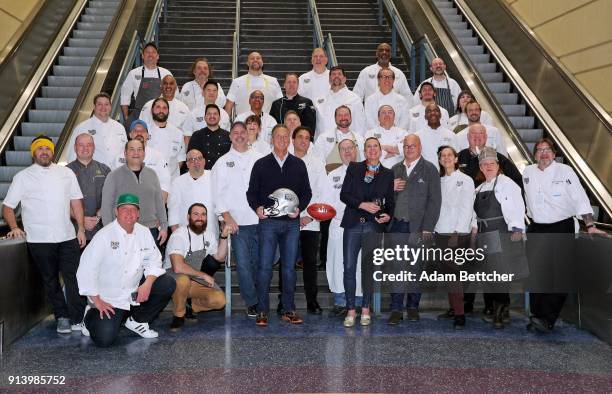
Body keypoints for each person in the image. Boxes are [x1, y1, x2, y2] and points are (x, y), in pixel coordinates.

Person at [3, 136, 87, 334]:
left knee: (74, 277)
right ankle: (62, 317)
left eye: (47, 148)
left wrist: (81, 228)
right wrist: (14, 226)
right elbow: (7, 207)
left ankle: (78, 318)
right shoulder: (22, 177)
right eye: (39, 149)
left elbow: (76, 202)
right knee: (50, 280)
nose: (44, 152)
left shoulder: (66, 173)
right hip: (39, 239)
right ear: (33, 153)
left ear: (52, 152)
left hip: (67, 236)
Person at [523, 138, 606, 333]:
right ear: (535, 155)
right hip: (537, 228)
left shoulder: (565, 171)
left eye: (547, 150)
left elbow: (580, 198)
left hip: (561, 226)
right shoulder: (528, 172)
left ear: (554, 153)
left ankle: (548, 318)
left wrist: (590, 225)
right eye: (539, 150)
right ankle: (537, 315)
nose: (543, 153)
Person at [77, 193, 176, 347]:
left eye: (133, 210)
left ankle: (137, 321)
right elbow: (86, 268)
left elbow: (154, 260)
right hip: (108, 299)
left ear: (138, 214)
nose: (129, 214)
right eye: (124, 209)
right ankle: (88, 317)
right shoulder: (104, 235)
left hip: (133, 294)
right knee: (104, 339)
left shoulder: (143, 232)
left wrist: (147, 284)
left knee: (167, 283)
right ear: (116, 212)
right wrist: (96, 300)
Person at [247, 124, 312, 327]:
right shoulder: (261, 164)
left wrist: (299, 207)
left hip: (291, 224)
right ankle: (262, 310)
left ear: (290, 140)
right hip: (268, 223)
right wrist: (257, 207)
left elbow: (307, 192)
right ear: (271, 139)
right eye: (278, 136)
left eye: (285, 137)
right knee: (265, 267)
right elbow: (251, 192)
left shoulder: (298, 165)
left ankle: (288, 309)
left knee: (289, 270)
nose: (282, 140)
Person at [340, 137, 395, 327]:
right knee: (348, 267)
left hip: (373, 226)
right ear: (364, 151)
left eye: (375, 147)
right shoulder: (354, 168)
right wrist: (362, 204)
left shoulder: (388, 174)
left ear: (380, 151)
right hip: (353, 224)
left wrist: (388, 215)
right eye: (369, 147)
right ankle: (350, 309)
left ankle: (365, 309)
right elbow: (344, 195)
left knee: (369, 269)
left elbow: (390, 202)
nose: (372, 150)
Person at [387, 134, 441, 324]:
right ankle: (396, 309)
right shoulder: (395, 169)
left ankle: (412, 307)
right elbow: (386, 199)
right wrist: (390, 188)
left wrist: (428, 227)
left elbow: (435, 202)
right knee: (396, 268)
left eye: (413, 145)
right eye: (406, 146)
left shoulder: (430, 169)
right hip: (397, 225)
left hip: (419, 227)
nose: (409, 149)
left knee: (416, 268)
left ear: (420, 147)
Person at [212, 121, 264, 317]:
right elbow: (217, 194)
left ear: (248, 135)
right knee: (242, 264)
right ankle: (252, 302)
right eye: (236, 132)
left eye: (243, 132)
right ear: (230, 136)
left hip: (260, 221)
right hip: (237, 223)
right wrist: (226, 217)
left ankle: (261, 299)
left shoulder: (260, 159)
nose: (240, 135)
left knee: (261, 263)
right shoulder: (222, 162)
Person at [472, 147, 525, 329]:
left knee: (499, 274)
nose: (488, 167)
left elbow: (516, 206)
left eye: (491, 164)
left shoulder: (506, 183)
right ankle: (500, 309)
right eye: (484, 164)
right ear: (480, 167)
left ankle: (499, 312)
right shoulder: (479, 188)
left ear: (498, 165)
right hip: (484, 235)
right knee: (489, 274)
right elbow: (474, 215)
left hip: (500, 233)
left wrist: (517, 228)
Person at [165, 203, 229, 331]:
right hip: (173, 277)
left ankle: (191, 306)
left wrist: (224, 236)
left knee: (220, 300)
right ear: (188, 217)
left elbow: (220, 257)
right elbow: (177, 267)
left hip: (194, 277)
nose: (200, 218)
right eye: (196, 214)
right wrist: (204, 275)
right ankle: (179, 315)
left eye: (203, 214)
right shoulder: (179, 235)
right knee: (183, 280)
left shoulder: (209, 235)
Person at [434, 146, 475, 329]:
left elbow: (466, 207)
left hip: (457, 233)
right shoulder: (438, 181)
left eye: (450, 155)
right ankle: (454, 308)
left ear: (456, 159)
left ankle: (460, 314)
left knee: (455, 275)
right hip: (440, 232)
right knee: (449, 275)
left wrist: (457, 232)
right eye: (443, 156)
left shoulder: (466, 180)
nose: (446, 158)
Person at [101, 139, 168, 247]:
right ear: (125, 153)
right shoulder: (113, 176)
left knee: (151, 263)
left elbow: (159, 203)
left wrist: (164, 226)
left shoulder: (152, 174)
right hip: (123, 231)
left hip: (150, 231)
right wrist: (110, 232)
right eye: (132, 149)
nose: (136, 153)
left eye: (139, 149)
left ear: (144, 153)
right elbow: (106, 207)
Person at [323, 139, 363, 316]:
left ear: (356, 150)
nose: (347, 152)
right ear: (339, 153)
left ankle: (360, 301)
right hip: (338, 224)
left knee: (359, 264)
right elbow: (325, 200)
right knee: (337, 263)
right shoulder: (333, 175)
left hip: (360, 224)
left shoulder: (367, 172)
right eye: (343, 149)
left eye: (350, 148)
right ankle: (340, 301)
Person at [292, 126, 327, 314]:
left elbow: (322, 192)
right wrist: (294, 216)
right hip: (288, 220)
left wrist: (308, 216)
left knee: (310, 264)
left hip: (311, 221)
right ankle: (285, 302)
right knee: (287, 263)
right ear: (293, 140)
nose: (304, 141)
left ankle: (312, 301)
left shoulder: (317, 163)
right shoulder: (285, 162)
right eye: (300, 137)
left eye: (307, 138)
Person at [112, 120, 172, 202]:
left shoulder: (158, 157)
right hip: (125, 204)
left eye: (143, 131)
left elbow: (164, 185)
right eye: (135, 131)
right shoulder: (119, 157)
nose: (139, 133)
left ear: (147, 135)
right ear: (130, 135)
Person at [67, 133, 111, 241]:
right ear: (75, 147)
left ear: (94, 147)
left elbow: (112, 196)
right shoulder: (65, 172)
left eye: (89, 145)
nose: (85, 148)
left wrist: (98, 217)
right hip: (74, 230)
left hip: (100, 227)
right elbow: (60, 201)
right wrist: (81, 219)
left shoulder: (105, 170)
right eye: (81, 145)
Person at [168, 148, 218, 240]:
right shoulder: (178, 182)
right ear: (187, 164)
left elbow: (221, 203)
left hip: (210, 231)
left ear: (204, 161)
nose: (196, 162)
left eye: (199, 158)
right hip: (185, 233)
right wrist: (176, 235)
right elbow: (173, 210)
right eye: (192, 159)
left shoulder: (214, 177)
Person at [67, 92, 127, 168]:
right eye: (99, 104)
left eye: (106, 104)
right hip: (92, 174)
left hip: (117, 174)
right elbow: (72, 155)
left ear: (110, 107)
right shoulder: (82, 128)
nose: (103, 107)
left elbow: (125, 152)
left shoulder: (120, 127)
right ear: (94, 107)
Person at [120, 42, 172, 128]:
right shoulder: (133, 73)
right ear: (142, 56)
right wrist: (126, 117)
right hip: (139, 115)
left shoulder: (166, 74)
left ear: (158, 56)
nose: (150, 54)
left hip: (160, 116)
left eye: (153, 52)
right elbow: (125, 95)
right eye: (147, 52)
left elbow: (174, 95)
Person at [457, 124, 522, 189]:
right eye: (473, 133)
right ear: (468, 136)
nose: (477, 136)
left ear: (486, 137)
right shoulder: (458, 158)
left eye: (481, 133)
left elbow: (518, 181)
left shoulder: (499, 158)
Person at [314, 66, 366, 139]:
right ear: (329, 79)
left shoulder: (354, 99)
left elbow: (360, 125)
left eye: (339, 74)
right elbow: (318, 125)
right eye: (333, 74)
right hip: (325, 142)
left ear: (344, 79)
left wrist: (357, 143)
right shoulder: (319, 99)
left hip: (347, 142)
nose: (336, 76)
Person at [314, 105, 365, 172]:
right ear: (335, 118)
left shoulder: (359, 139)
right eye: (340, 115)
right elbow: (318, 163)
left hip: (356, 179)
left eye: (346, 115)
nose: (343, 117)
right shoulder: (323, 138)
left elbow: (364, 162)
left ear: (351, 117)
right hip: (332, 180)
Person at [145, 97, 186, 179]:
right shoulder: (144, 131)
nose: (161, 111)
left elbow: (181, 158)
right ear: (152, 110)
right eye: (158, 107)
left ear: (168, 111)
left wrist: (170, 174)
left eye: (164, 108)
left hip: (170, 180)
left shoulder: (178, 133)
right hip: (148, 179)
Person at [183, 80, 231, 146]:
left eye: (214, 91)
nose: (212, 93)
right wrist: (189, 153)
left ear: (217, 94)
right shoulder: (194, 113)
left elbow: (228, 137)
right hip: (198, 153)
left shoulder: (224, 114)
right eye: (208, 90)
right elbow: (187, 136)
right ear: (203, 93)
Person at [187, 104, 231, 170]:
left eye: (215, 114)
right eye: (209, 114)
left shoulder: (228, 136)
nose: (212, 116)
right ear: (205, 117)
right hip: (202, 174)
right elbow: (190, 158)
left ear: (220, 117)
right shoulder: (197, 135)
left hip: (223, 174)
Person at [364, 104, 407, 169]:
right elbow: (369, 154)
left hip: (398, 171)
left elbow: (406, 151)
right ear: (378, 117)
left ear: (394, 116)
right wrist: (396, 150)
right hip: (375, 170)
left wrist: (382, 147)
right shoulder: (370, 133)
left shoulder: (403, 133)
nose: (387, 115)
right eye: (383, 113)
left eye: (390, 112)